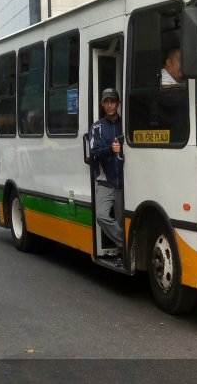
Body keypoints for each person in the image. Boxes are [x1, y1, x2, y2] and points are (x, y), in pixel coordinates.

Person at [89, 87, 124, 267]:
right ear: (102, 105)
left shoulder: (126, 124)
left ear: (118, 103)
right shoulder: (97, 127)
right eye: (106, 102)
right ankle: (126, 244)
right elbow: (94, 151)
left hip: (123, 182)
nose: (109, 105)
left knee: (120, 219)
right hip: (105, 181)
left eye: (113, 101)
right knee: (102, 216)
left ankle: (121, 254)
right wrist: (110, 149)